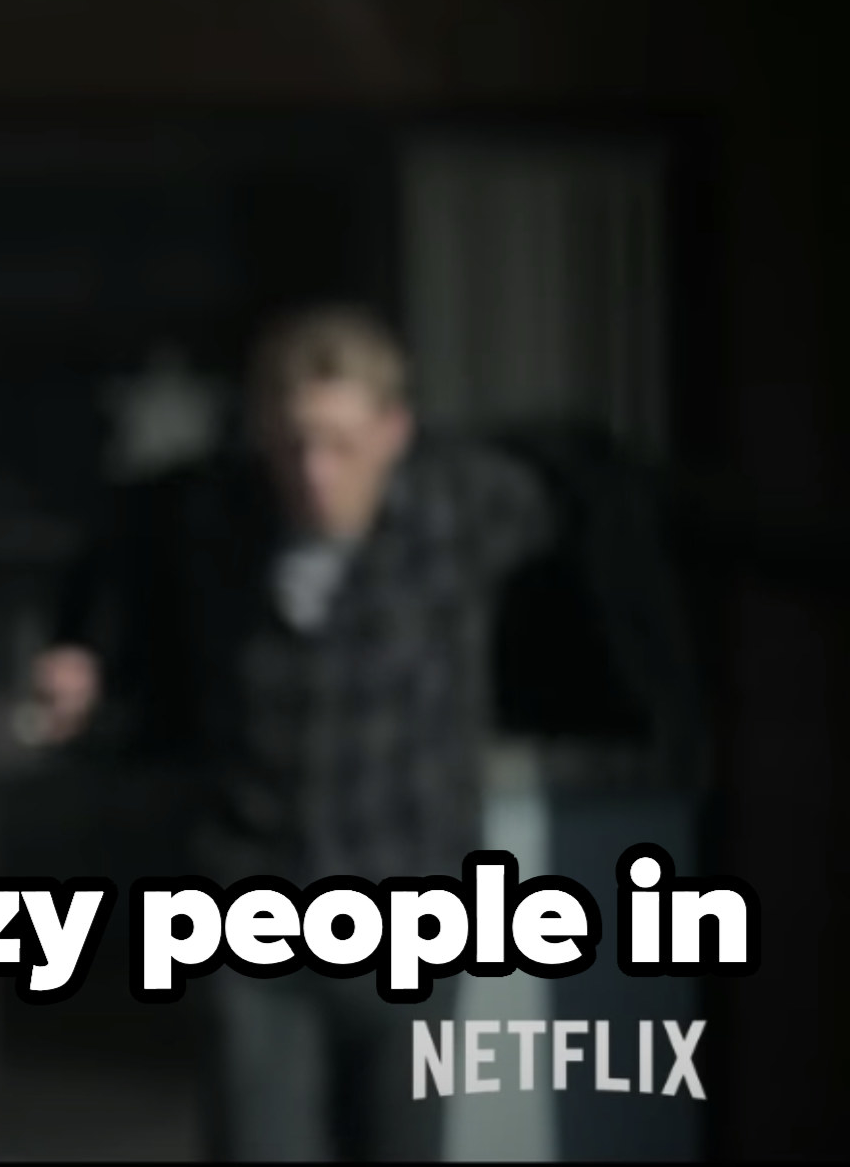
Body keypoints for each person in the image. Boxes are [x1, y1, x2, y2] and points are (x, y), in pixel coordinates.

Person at [29, 305, 554, 1161]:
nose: (314, 471)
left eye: (341, 445)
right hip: (258, 909)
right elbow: (117, 556)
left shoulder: (463, 508)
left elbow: (592, 516)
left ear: (393, 433)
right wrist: (84, 655)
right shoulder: (214, 514)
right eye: (292, 444)